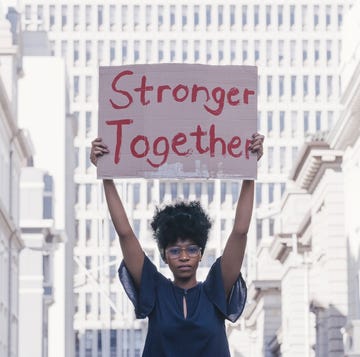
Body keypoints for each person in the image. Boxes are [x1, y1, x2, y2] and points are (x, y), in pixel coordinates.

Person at [90, 133, 264, 357]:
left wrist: (249, 170)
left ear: (201, 254)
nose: (184, 256)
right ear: (164, 255)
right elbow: (125, 234)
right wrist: (106, 174)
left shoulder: (215, 290)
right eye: (175, 250)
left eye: (192, 249)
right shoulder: (156, 289)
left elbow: (240, 231)